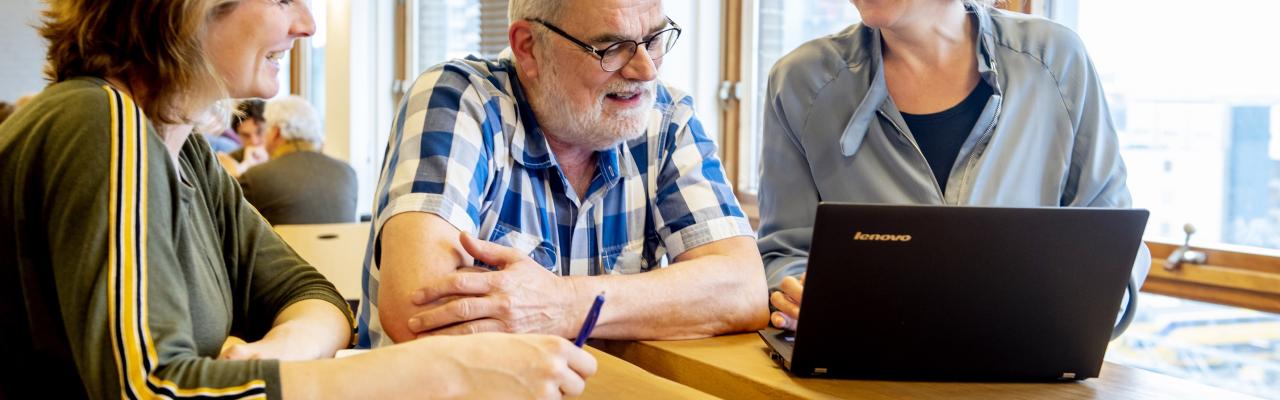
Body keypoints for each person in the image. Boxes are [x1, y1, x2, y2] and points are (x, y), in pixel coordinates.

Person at [0, 0, 594, 398]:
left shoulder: (186, 153)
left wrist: (274, 359)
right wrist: (438, 374)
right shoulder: (98, 121)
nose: (307, 24)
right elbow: (151, 390)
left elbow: (317, 296)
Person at [359, 0, 768, 348]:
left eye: (654, 39)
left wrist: (565, 303)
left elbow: (743, 289)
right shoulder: (461, 99)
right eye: (612, 47)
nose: (646, 71)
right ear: (529, 48)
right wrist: (646, 302)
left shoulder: (666, 119)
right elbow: (420, 311)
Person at [759, 0, 1151, 330]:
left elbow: (1114, 233)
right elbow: (784, 253)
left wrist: (1089, 307)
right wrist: (796, 296)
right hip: (861, 369)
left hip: (1030, 369)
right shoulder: (799, 82)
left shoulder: (1056, 59)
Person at [239, 95, 357, 225]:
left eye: (266, 130)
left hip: (284, 239)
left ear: (276, 132)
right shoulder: (347, 173)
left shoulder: (256, 177)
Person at [217, 99, 270, 176]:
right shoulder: (232, 159)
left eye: (260, 132)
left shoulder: (283, 153)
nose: (254, 141)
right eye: (246, 135)